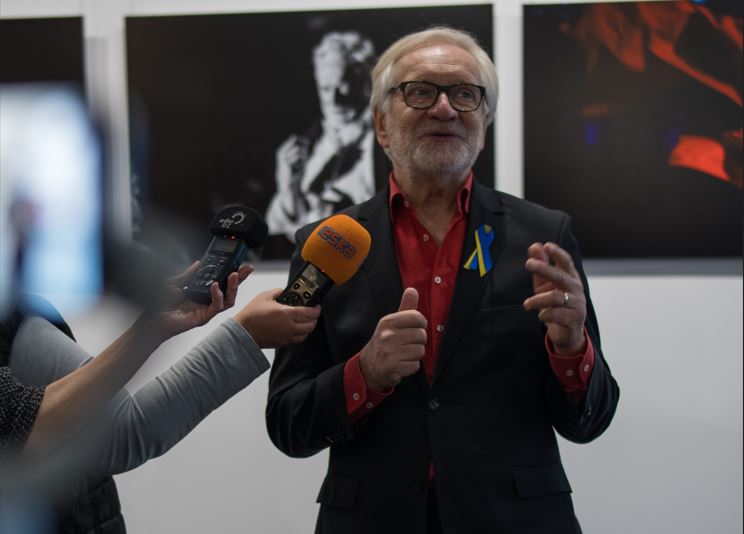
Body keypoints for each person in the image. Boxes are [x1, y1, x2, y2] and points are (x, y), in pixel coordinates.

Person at [266, 26, 620, 534]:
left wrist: (571, 346)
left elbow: (589, 422)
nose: (445, 109)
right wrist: (366, 372)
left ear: (484, 121)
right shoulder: (325, 245)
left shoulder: (544, 236)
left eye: (465, 94)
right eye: (420, 91)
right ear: (381, 124)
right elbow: (288, 424)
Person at [1, 262, 320, 532]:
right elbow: (120, 433)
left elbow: (115, 429)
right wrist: (245, 336)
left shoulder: (15, 319)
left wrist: (155, 326)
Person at [265, 31, 378, 244]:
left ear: (365, 83)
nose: (333, 101)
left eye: (343, 86)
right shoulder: (311, 142)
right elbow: (276, 231)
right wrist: (288, 188)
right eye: (325, 89)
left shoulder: (386, 144)